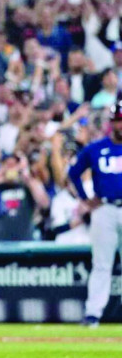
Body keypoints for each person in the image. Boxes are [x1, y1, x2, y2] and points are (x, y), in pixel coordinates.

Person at [68, 100, 122, 328]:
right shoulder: (96, 148)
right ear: (112, 123)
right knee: (101, 264)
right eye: (119, 121)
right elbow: (73, 172)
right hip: (105, 209)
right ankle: (93, 314)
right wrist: (85, 199)